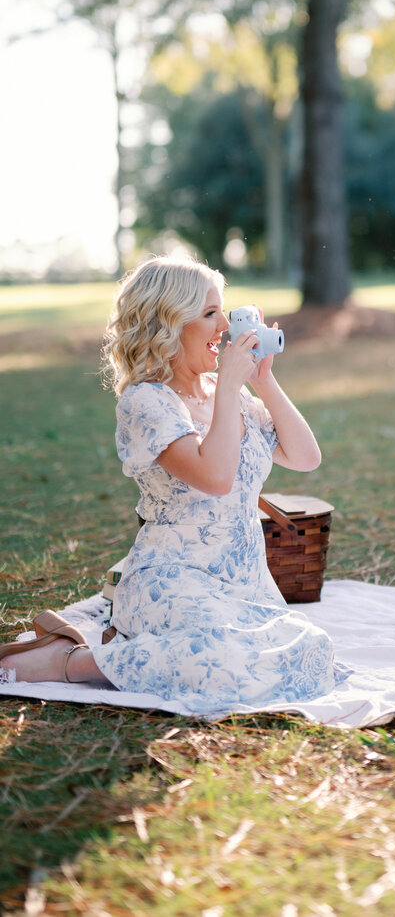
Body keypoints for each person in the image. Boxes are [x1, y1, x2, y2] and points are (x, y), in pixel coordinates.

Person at [1, 256, 344, 711]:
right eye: (209, 314)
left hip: (243, 585)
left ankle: (110, 654)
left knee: (311, 648)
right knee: (224, 659)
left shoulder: (230, 395)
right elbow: (215, 478)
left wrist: (264, 381)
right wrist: (228, 390)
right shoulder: (146, 402)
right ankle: (71, 662)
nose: (224, 325)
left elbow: (305, 457)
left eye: (223, 311)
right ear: (167, 324)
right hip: (169, 580)